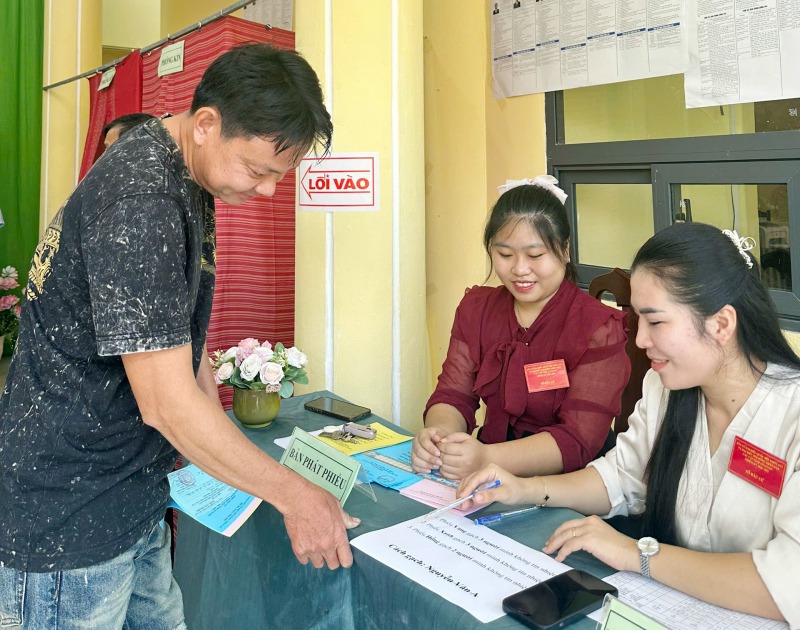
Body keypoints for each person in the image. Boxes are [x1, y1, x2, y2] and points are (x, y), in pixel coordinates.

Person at [0, 43, 358, 629]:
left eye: (280, 175)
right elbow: (166, 403)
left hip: (132, 491)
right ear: (207, 124)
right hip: (70, 511)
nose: (269, 192)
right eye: (259, 171)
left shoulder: (185, 168)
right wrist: (294, 495)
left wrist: (212, 432)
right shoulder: (140, 200)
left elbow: (179, 331)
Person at [458, 222, 800, 626]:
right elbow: (621, 477)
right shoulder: (667, 388)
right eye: (638, 319)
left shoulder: (790, 415)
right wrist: (525, 489)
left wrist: (638, 554)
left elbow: (788, 583)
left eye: (656, 322)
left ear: (721, 324)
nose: (640, 340)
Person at [412, 177, 630, 480]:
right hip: (488, 471)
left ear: (565, 249)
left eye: (535, 255)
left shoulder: (597, 328)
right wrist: (439, 439)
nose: (519, 269)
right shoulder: (476, 310)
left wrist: (486, 458)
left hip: (572, 484)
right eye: (505, 255)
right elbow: (453, 394)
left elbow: (577, 438)